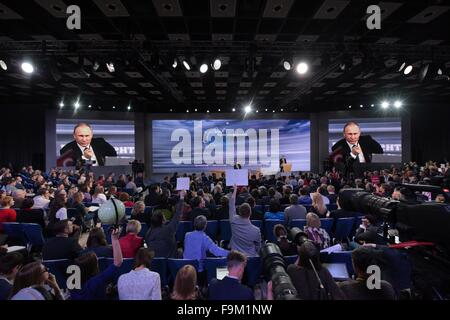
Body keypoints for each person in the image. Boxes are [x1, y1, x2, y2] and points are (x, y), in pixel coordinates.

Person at [70, 227, 123, 300]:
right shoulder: (97, 281)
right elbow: (118, 262)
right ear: (93, 266)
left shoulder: (72, 284)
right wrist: (115, 239)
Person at [145, 190, 185, 258]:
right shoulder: (169, 229)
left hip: (154, 264)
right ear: (163, 220)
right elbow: (178, 214)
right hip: (171, 262)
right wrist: (181, 198)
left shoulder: (148, 234)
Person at [229, 186, 262, 256]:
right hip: (251, 257)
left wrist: (235, 190)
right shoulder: (256, 231)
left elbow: (231, 203)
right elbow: (258, 246)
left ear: (239, 212)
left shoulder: (233, 220)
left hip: (235, 255)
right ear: (250, 213)